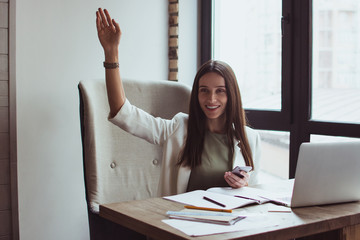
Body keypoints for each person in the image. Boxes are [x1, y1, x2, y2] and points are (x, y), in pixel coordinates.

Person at [96, 8, 261, 196]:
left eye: (220, 91)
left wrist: (244, 187)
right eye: (204, 90)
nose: (211, 99)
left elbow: (254, 198)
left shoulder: (250, 139)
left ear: (232, 95)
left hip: (228, 223)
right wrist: (111, 54)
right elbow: (123, 114)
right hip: (181, 220)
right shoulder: (178, 128)